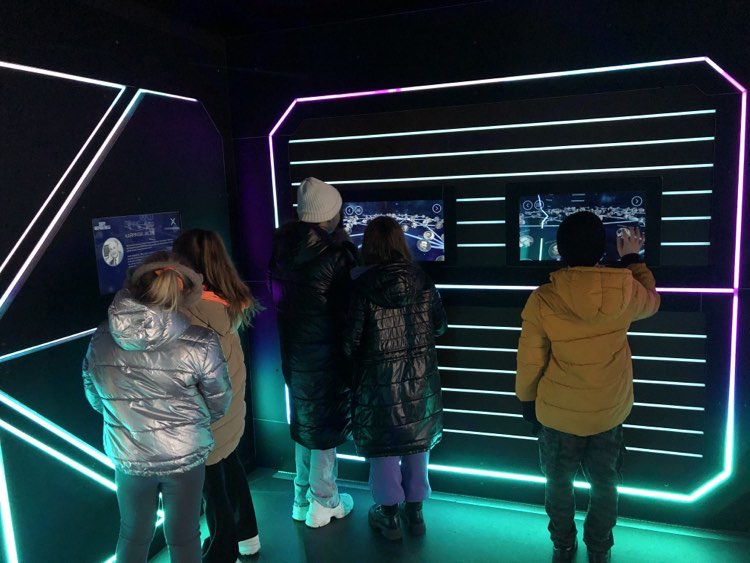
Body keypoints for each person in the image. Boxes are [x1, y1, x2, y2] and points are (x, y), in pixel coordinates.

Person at [515, 211, 660, 563]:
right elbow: (652, 302)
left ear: (560, 249)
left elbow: (531, 358)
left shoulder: (543, 297)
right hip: (608, 411)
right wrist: (632, 260)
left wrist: (527, 402)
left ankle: (563, 545)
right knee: (605, 484)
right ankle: (599, 548)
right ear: (602, 249)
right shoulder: (627, 288)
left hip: (558, 414)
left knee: (558, 482)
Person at [82, 252, 232, 563]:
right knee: (184, 536)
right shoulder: (200, 341)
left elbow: (95, 395)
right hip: (184, 456)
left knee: (132, 535)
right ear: (181, 292)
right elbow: (219, 400)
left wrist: (126, 421)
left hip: (129, 454)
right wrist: (192, 424)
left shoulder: (101, 338)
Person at [343, 216, 447, 541]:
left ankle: (389, 517)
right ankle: (415, 512)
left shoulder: (360, 286)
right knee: (416, 442)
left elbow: (350, 342)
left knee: (384, 447)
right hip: (420, 382)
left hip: (378, 384)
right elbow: (440, 327)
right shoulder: (423, 281)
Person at [268, 177, 358, 528]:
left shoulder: (282, 251)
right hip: (327, 356)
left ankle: (301, 497)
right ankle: (325, 501)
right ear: (328, 214)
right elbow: (347, 310)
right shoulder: (336, 255)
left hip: (294, 355)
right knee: (323, 429)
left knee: (305, 423)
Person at [173, 229, 263, 561]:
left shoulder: (187, 311)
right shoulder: (227, 300)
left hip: (205, 417)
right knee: (229, 466)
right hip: (229, 410)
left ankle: (222, 551)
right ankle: (248, 535)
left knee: (212, 489)